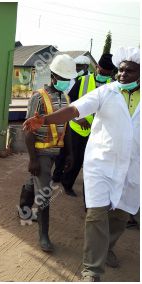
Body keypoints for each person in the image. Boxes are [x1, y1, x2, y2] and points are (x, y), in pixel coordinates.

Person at [23, 46, 140, 282]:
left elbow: (66, 121)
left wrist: (68, 153)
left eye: (129, 71)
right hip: (99, 163)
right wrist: (43, 122)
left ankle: (107, 247)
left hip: (132, 168)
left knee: (120, 216)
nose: (122, 75)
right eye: (121, 70)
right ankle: (91, 271)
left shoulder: (65, 94)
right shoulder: (106, 92)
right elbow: (75, 110)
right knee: (95, 214)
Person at [18, 54, 77, 253]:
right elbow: (28, 129)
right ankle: (43, 236)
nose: (66, 83)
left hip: (57, 151)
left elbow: (66, 127)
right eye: (62, 78)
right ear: (53, 76)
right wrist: (33, 159)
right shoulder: (38, 97)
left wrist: (69, 153)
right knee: (44, 193)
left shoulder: (66, 97)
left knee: (34, 181)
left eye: (68, 79)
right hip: (41, 153)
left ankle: (23, 210)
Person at [52, 54, 115, 197]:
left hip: (96, 131)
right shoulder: (83, 80)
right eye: (102, 71)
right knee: (67, 154)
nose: (104, 75)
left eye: (107, 73)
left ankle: (67, 184)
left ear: (111, 73)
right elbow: (70, 102)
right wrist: (78, 119)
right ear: (97, 67)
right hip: (76, 126)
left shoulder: (113, 86)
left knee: (80, 158)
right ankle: (57, 176)